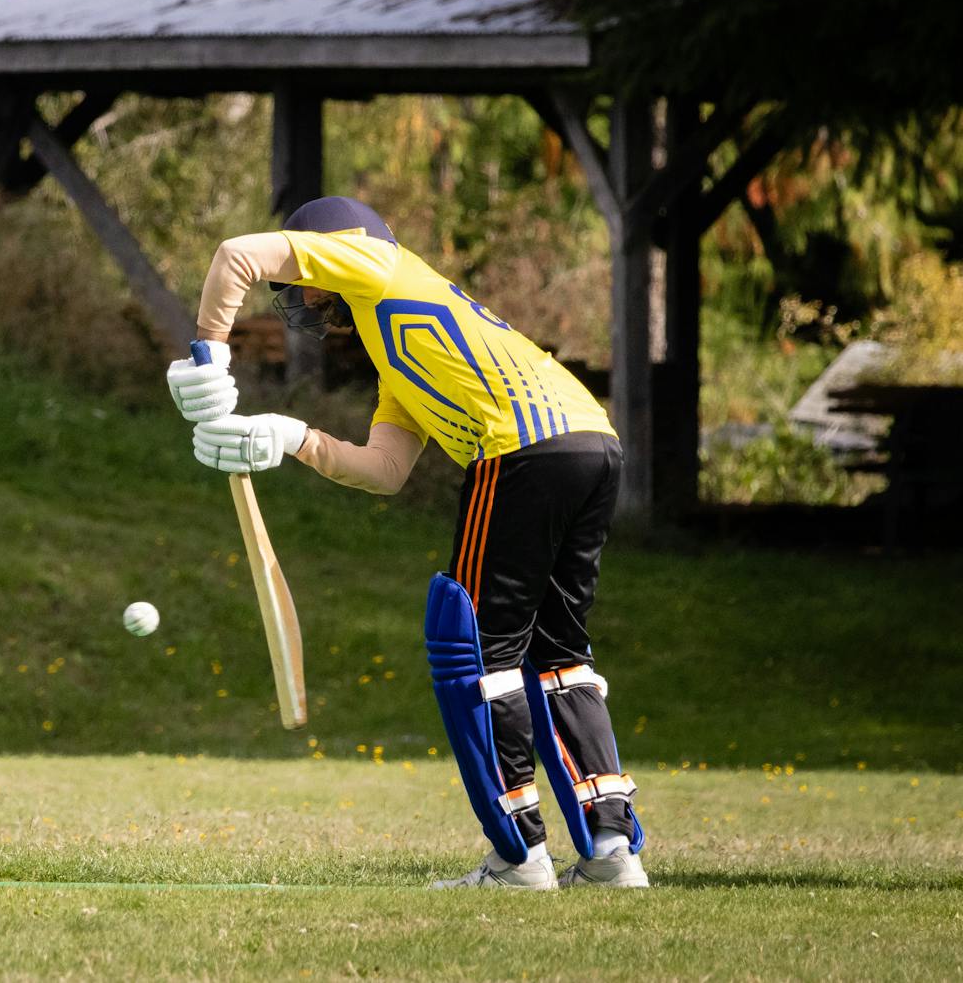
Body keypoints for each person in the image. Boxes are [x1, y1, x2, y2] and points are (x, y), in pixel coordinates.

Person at [166, 195, 647, 890]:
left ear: (333, 248)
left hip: (520, 449)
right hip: (590, 444)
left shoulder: (373, 261)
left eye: (302, 278)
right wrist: (286, 435)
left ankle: (519, 856)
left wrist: (207, 357)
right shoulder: (402, 342)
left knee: (473, 646)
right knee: (557, 653)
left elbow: (236, 255)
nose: (299, 296)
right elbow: (385, 469)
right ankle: (611, 852)